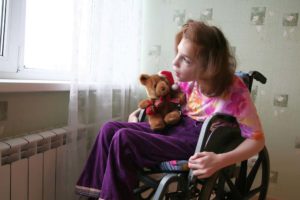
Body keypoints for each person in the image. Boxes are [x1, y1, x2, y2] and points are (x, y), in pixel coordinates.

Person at [75, 20, 265, 200]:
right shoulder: (190, 82)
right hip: (177, 127)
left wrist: (220, 160)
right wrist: (137, 112)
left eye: (185, 59)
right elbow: (163, 98)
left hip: (199, 140)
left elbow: (256, 140)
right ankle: (95, 194)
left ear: (209, 66)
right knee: (109, 129)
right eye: (177, 54)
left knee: (124, 139)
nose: (174, 63)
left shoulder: (235, 91)